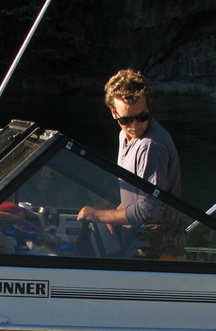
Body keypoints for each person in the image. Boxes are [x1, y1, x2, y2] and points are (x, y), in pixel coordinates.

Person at [77, 68, 184, 258]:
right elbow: (137, 195)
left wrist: (99, 215)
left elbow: (151, 210)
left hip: (155, 252)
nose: (134, 126)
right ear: (113, 112)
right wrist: (115, 214)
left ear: (148, 104)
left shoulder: (151, 146)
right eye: (126, 119)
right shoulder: (124, 135)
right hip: (134, 242)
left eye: (142, 116)